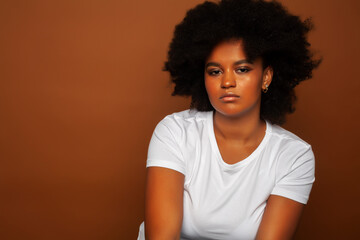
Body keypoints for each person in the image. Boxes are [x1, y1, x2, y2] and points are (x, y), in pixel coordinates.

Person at [137, 0, 321, 239]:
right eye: (215, 71)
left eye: (242, 69)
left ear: (266, 77)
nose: (227, 82)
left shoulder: (294, 157)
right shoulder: (175, 132)